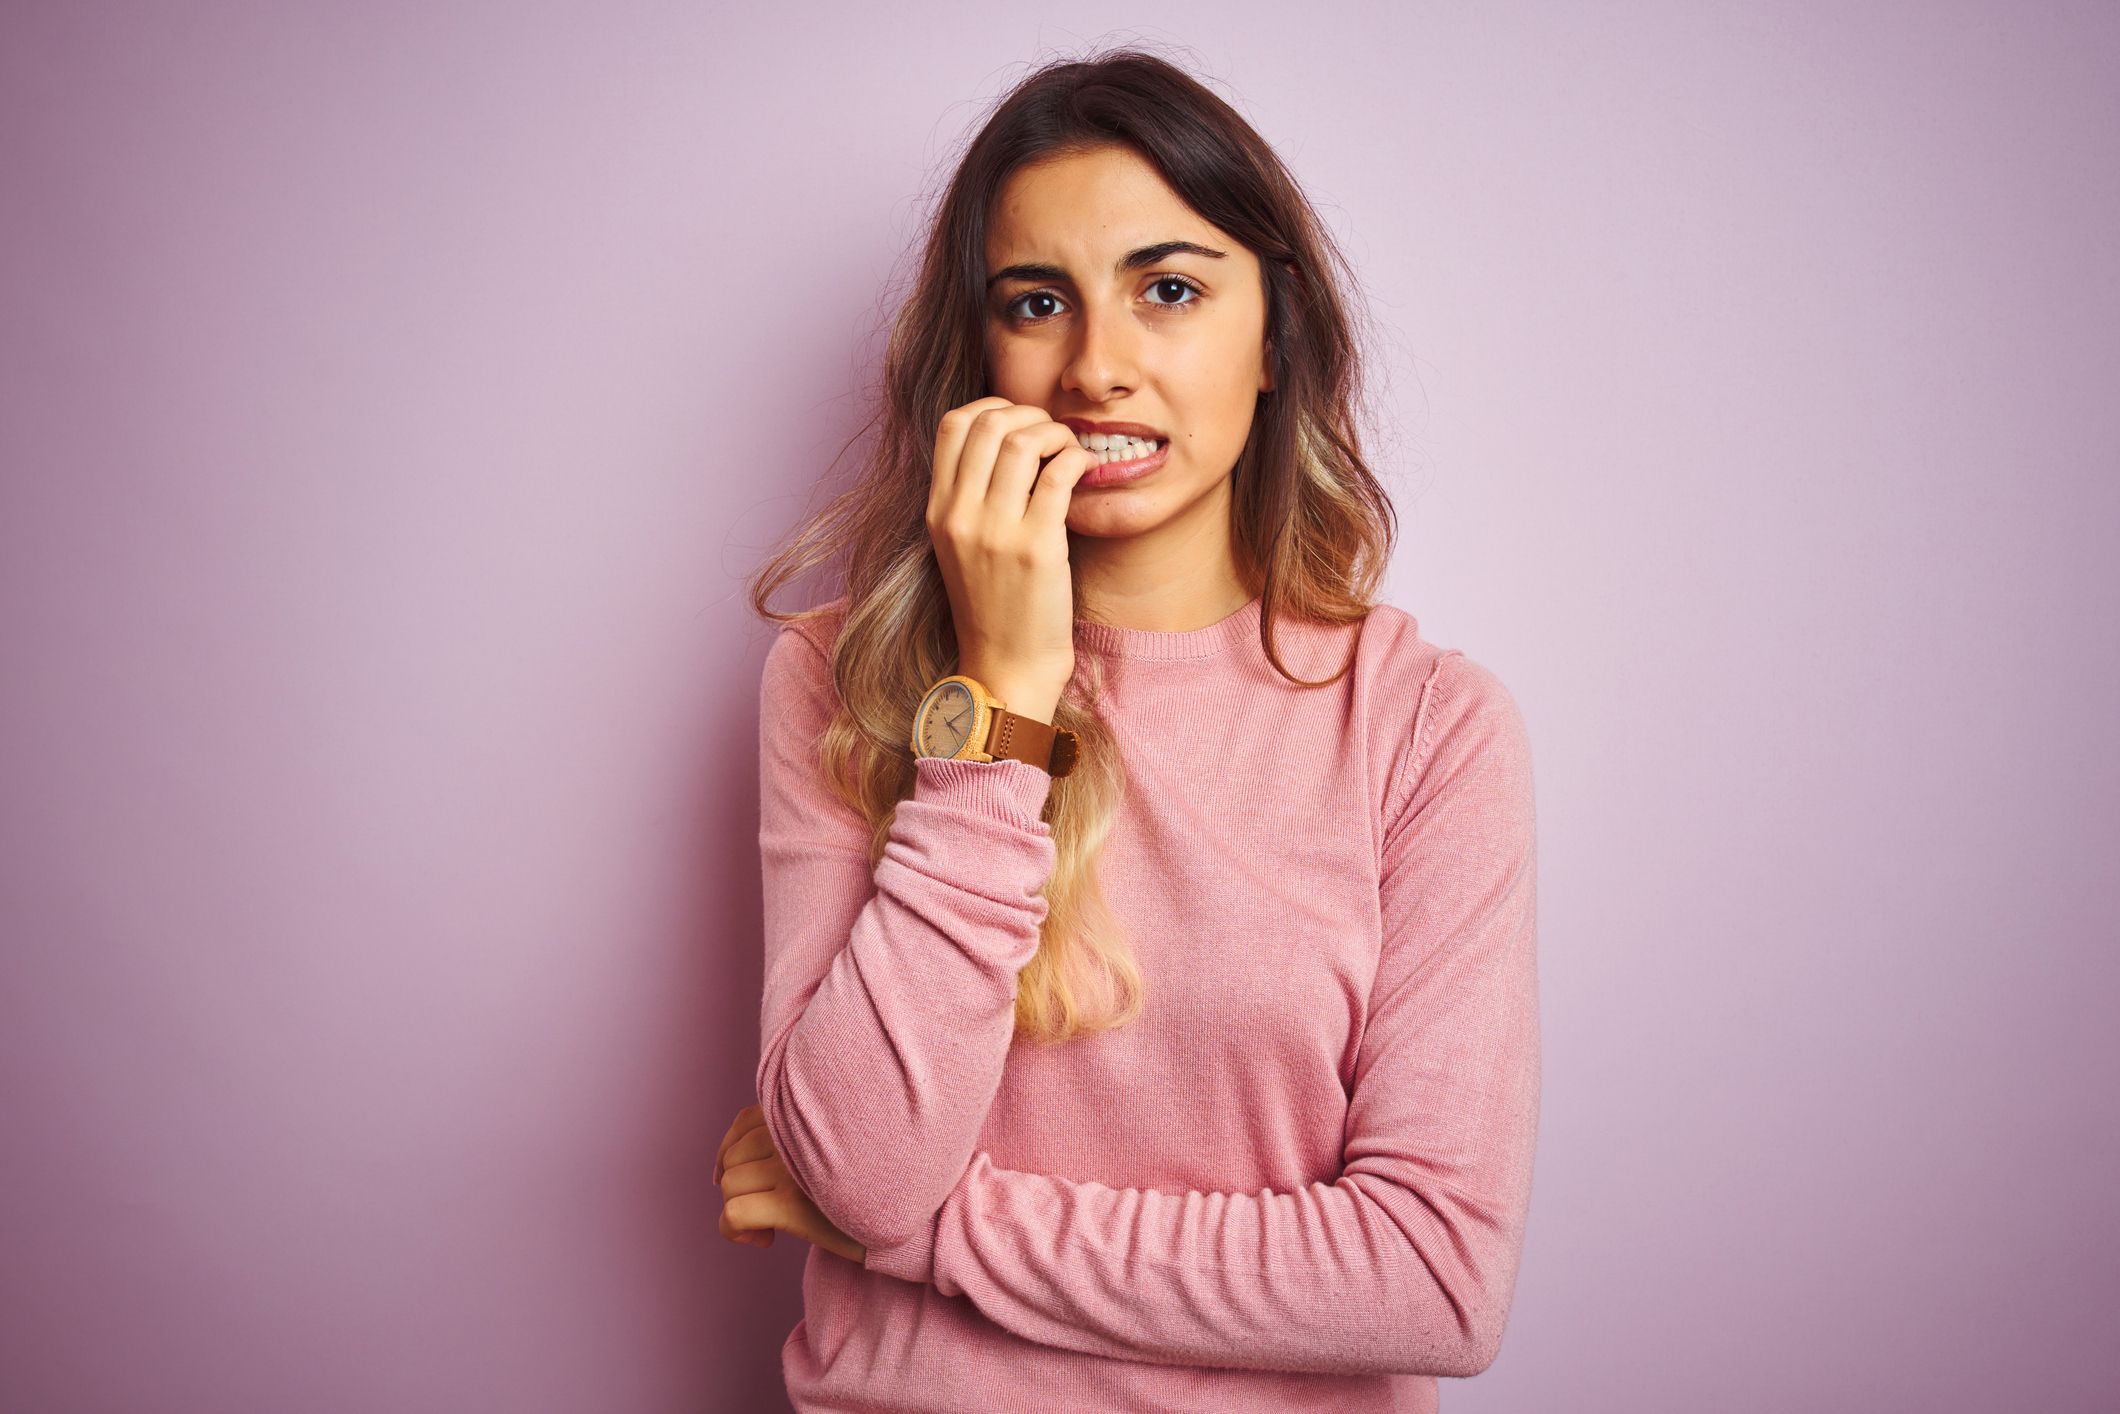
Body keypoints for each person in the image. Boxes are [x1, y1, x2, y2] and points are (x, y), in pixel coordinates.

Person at [714, 50, 1539, 1413]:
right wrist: (1006, 692)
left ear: (1273, 335)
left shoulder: (1428, 729)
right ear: (978, 354)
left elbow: (1433, 1276)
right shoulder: (835, 675)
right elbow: (859, 1155)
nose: (1097, 369)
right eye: (1038, 303)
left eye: (1169, 290)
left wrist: (926, 1236)